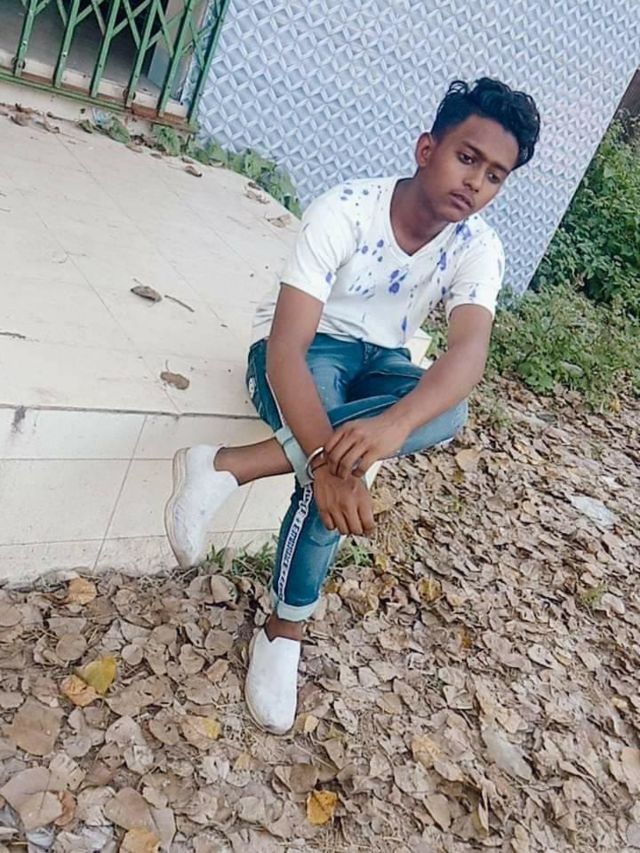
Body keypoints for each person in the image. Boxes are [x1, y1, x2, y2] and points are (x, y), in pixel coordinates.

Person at [164, 77, 541, 735]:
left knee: (445, 411)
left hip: (382, 362)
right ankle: (284, 631)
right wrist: (323, 459)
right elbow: (286, 350)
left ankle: (231, 464)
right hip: (305, 350)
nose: (476, 183)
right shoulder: (345, 211)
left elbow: (468, 352)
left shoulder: (477, 246)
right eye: (467, 157)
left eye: (495, 175)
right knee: (339, 474)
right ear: (426, 148)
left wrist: (393, 424)